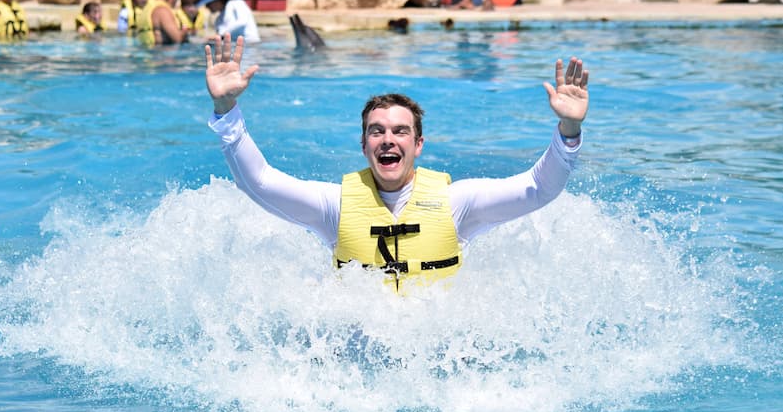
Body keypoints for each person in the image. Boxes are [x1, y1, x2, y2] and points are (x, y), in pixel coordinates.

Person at [203, 36, 589, 293]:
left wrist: (569, 128)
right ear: (364, 145)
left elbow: (539, 188)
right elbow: (260, 182)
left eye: (400, 131)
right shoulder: (334, 206)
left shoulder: (459, 203)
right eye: (377, 131)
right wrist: (226, 108)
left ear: (418, 144)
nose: (388, 139)